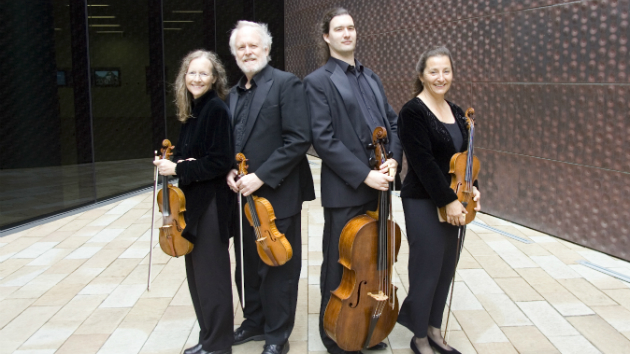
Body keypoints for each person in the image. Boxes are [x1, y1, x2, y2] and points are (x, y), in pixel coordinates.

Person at [303, 8, 403, 354]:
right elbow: (323, 139)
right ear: (327, 37)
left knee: (372, 264)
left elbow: (392, 124)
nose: (347, 33)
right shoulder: (316, 82)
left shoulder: (371, 77)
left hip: (380, 187)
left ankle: (363, 331)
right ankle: (333, 335)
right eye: (339, 29)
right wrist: (365, 175)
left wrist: (393, 161)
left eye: (351, 27)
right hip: (346, 190)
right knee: (339, 264)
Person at [225, 20, 315, 354]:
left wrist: (259, 176)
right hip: (242, 197)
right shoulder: (232, 93)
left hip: (278, 193)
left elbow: (298, 140)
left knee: (278, 267)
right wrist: (229, 172)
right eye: (241, 47)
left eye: (253, 45)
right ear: (235, 54)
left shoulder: (286, 83)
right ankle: (254, 322)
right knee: (246, 265)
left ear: (266, 48)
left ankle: (277, 335)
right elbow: (231, 143)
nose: (248, 51)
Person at [396, 46, 481, 354]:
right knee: (426, 268)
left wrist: (474, 188)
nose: (440, 77)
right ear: (422, 75)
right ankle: (418, 336)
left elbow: (464, 159)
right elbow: (423, 162)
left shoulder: (458, 112)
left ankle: (434, 329)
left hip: (457, 199)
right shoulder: (412, 112)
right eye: (433, 71)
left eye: (446, 71)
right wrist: (448, 201)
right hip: (422, 201)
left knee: (446, 269)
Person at [153, 50, 234, 354]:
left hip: (211, 204)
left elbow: (219, 161)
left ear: (215, 79)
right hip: (193, 204)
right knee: (197, 275)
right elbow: (193, 155)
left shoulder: (214, 109)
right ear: (183, 77)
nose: (196, 78)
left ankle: (218, 344)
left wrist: (178, 168)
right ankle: (208, 337)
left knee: (211, 276)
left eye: (203, 73)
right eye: (191, 72)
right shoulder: (193, 111)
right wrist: (168, 162)